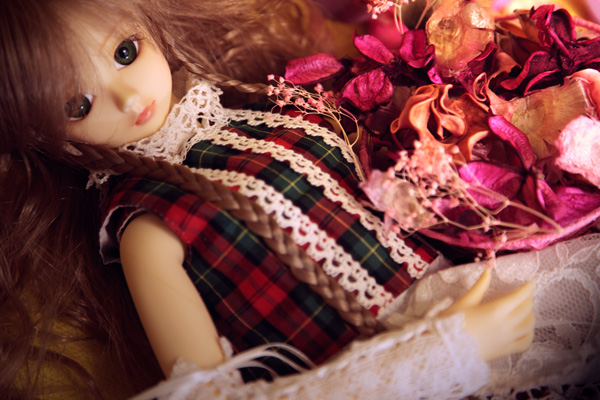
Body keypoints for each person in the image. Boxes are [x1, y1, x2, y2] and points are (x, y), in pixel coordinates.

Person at [0, 0, 596, 399]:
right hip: (404, 370)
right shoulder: (148, 226)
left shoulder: (252, 105)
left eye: (126, 52)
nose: (131, 99)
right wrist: (442, 355)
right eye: (78, 106)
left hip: (478, 285)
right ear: (41, 134)